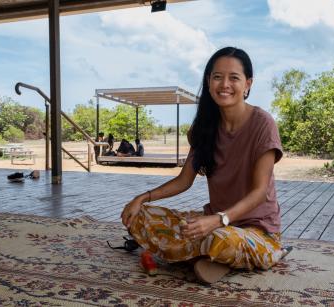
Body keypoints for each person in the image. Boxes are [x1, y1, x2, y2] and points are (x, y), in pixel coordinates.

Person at [121, 46, 290, 284]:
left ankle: (252, 253)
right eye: (217, 77)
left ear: (248, 84)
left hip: (254, 230)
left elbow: (260, 192)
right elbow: (184, 181)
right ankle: (207, 258)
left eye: (234, 78)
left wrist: (219, 220)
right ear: (209, 82)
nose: (224, 84)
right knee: (139, 217)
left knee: (221, 240)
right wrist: (142, 198)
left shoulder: (263, 123)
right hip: (212, 223)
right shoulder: (204, 126)